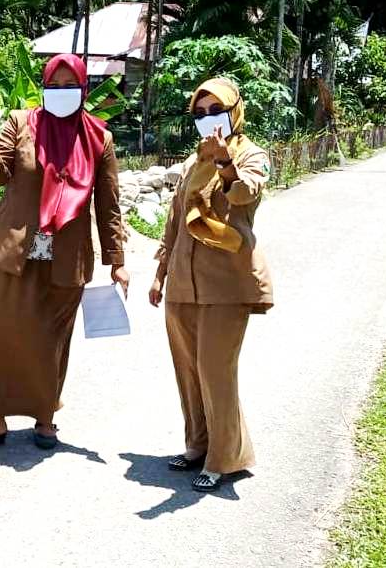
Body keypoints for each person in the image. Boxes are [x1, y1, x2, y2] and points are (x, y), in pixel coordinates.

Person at [0, 53, 129, 453]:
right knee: (6, 335)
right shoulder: (21, 123)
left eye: (71, 87)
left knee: (53, 339)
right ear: (43, 87)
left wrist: (116, 261)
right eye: (55, 85)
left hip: (67, 256)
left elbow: (109, 205)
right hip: (16, 250)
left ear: (84, 90)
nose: (62, 93)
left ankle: (45, 417)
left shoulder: (99, 139)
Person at [148, 77, 274, 492]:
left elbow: (244, 196)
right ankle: (198, 445)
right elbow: (174, 220)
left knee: (215, 370)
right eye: (200, 113)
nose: (207, 120)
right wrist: (160, 273)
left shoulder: (252, 154)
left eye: (215, 111)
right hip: (183, 283)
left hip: (225, 283)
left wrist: (224, 163)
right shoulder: (190, 162)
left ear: (234, 110)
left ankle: (224, 459)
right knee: (187, 371)